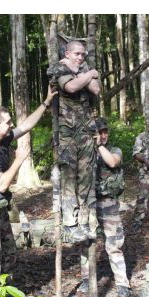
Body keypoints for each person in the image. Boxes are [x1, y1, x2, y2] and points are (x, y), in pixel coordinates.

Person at [0, 88, 55, 290]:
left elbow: (26, 126)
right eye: (8, 122)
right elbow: (0, 184)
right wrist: (18, 160)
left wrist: (46, 102)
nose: (11, 125)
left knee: (9, 255)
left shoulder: (2, 139)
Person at [47, 40, 100, 243]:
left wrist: (83, 74)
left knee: (85, 178)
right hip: (67, 134)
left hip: (86, 131)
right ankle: (70, 225)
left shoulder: (82, 67)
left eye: (83, 55)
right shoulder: (58, 68)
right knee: (68, 180)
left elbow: (95, 89)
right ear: (67, 53)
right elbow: (70, 87)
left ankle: (84, 223)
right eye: (77, 54)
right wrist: (88, 74)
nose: (81, 57)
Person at [79, 118, 130, 297]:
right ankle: (86, 279)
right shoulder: (85, 153)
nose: (103, 135)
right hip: (88, 205)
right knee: (85, 243)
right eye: (99, 132)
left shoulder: (114, 150)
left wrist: (99, 146)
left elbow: (113, 162)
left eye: (105, 131)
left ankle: (122, 283)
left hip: (108, 204)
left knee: (114, 245)